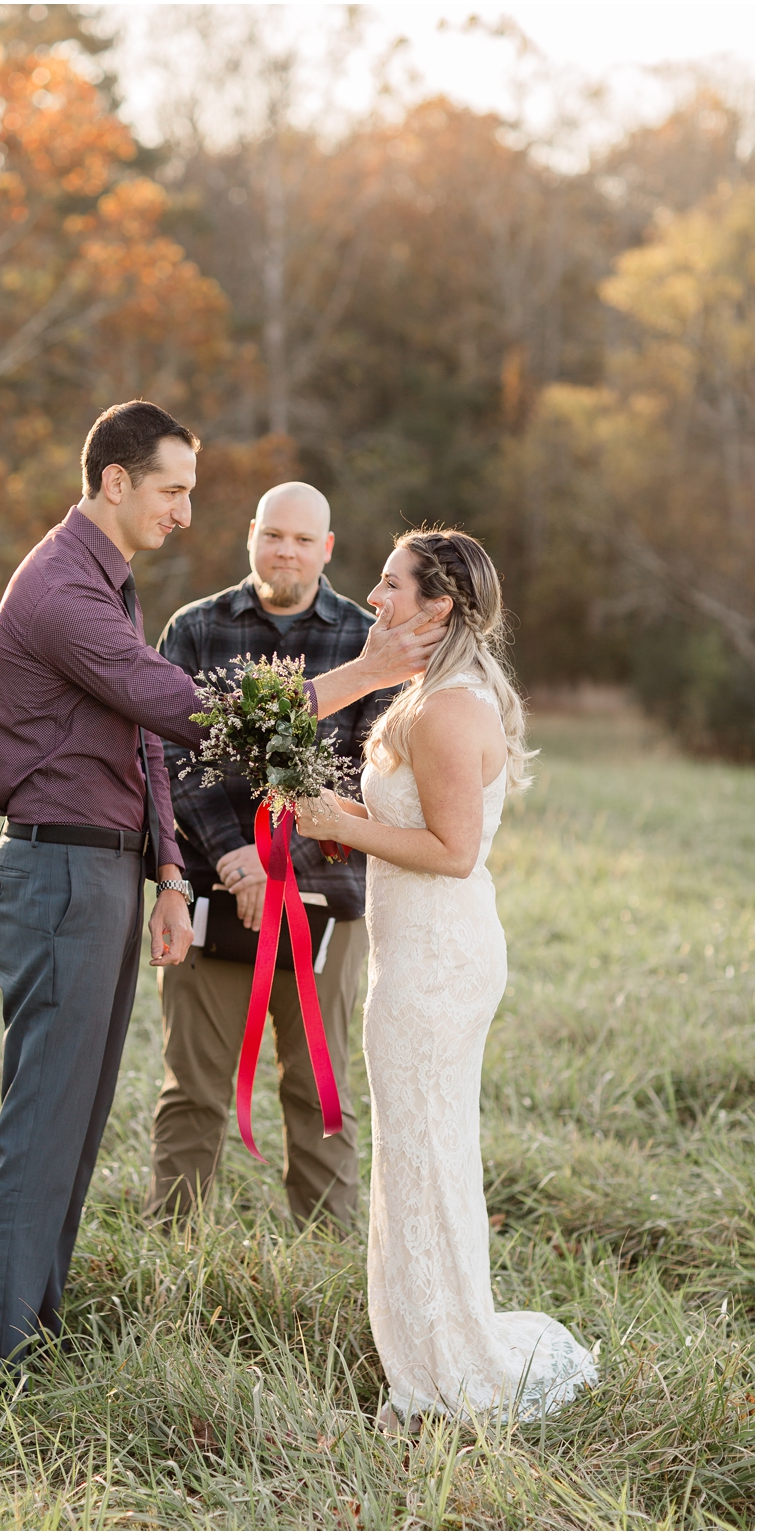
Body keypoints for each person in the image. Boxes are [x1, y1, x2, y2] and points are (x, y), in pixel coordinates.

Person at [0, 399, 442, 1387]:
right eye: (172, 488)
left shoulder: (107, 579)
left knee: (76, 1117)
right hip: (55, 867)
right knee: (40, 1116)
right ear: (115, 479)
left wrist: (169, 872)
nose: (184, 511)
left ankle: (32, 1325)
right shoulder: (61, 589)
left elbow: (135, 736)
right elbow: (186, 711)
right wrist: (357, 675)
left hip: (104, 866)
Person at [294, 529, 597, 1426]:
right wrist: (327, 807)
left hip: (438, 958)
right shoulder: (424, 695)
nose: (374, 598)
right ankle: (425, 1349)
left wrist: (338, 826)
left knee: (425, 1159)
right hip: (415, 948)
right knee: (417, 1154)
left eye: (390, 585)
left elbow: (453, 851)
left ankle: (448, 1371)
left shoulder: (449, 709)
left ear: (440, 606)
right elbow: (415, 820)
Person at [144, 482, 394, 1231]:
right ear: (251, 534)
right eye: (272, 534)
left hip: (328, 897)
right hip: (213, 890)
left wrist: (280, 852)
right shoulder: (194, 628)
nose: (284, 550)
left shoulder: (364, 639)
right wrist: (235, 857)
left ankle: (326, 1256)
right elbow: (165, 756)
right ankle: (171, 1244)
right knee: (193, 1086)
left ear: (327, 548)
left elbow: (369, 768)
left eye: (300, 538)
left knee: (321, 1088)